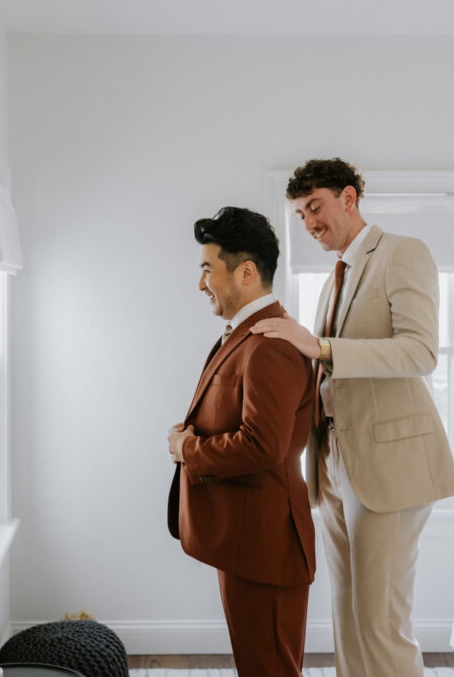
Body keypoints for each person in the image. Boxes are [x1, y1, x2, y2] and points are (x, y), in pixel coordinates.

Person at [251, 159, 454, 677]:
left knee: (380, 625)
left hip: (390, 469)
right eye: (300, 214)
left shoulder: (401, 254)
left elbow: (419, 352)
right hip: (333, 469)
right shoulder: (333, 280)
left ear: (349, 198)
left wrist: (319, 346)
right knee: (346, 621)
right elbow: (329, 371)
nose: (308, 223)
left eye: (315, 208)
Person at [166, 206, 316, 677]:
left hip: (265, 544)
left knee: (270, 670)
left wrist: (185, 450)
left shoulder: (270, 344)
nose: (201, 283)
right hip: (247, 540)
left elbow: (261, 446)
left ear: (246, 272)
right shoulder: (247, 335)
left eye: (207, 269)